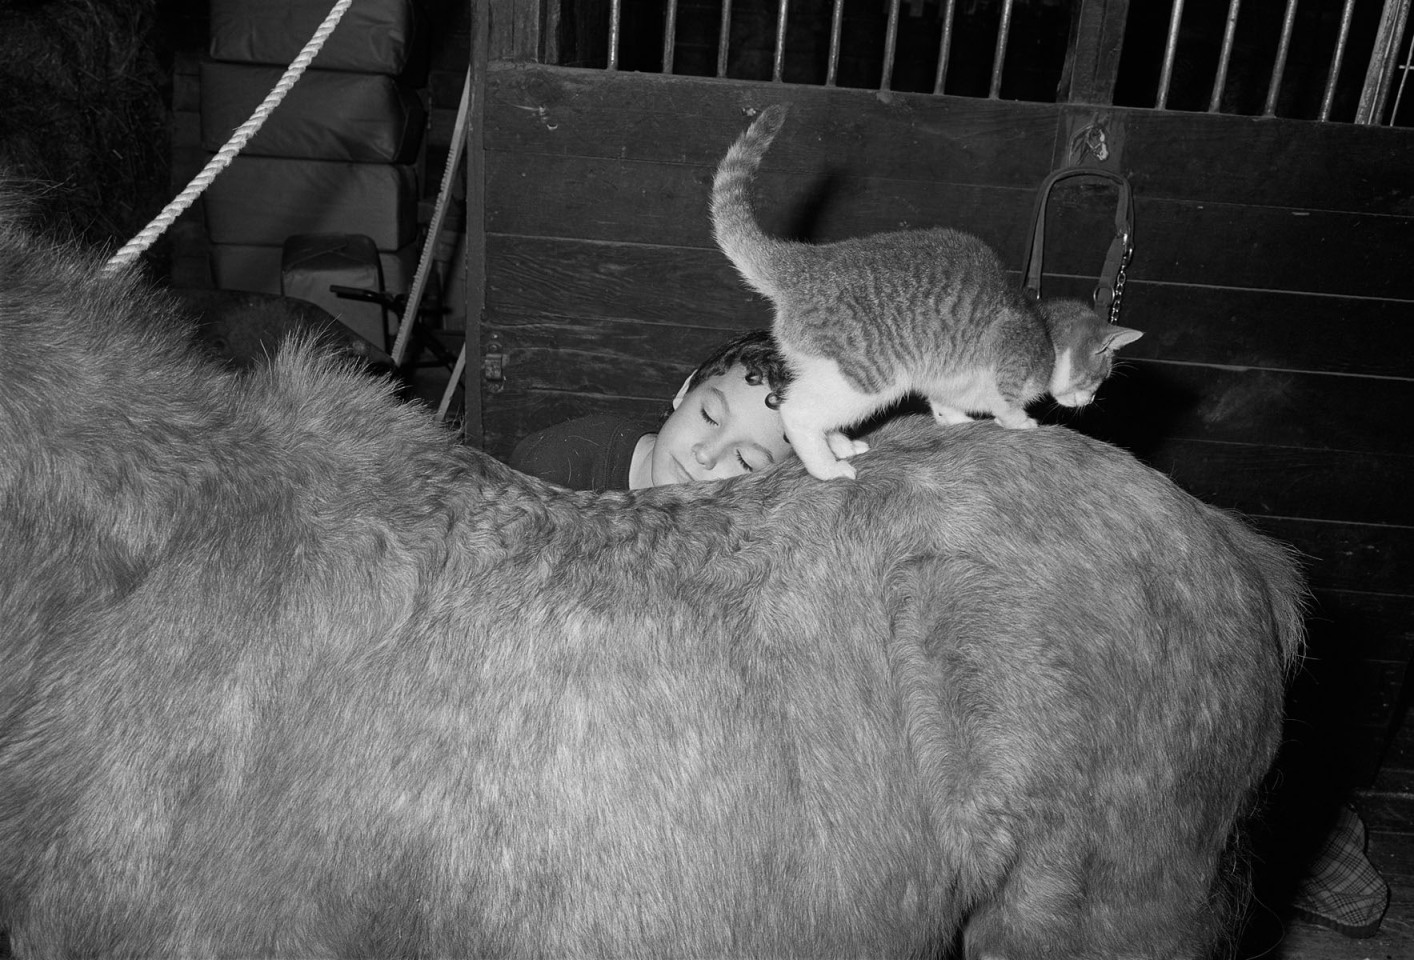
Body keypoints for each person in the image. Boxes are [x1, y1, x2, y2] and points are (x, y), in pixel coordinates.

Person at [510, 329, 794, 490]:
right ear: (685, 391)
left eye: (746, 461)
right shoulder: (550, 471)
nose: (706, 454)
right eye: (708, 416)